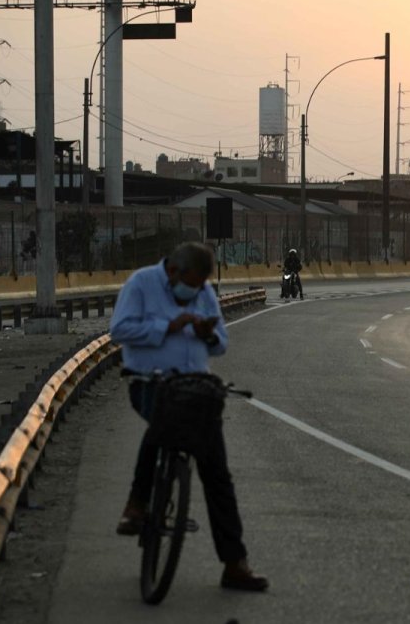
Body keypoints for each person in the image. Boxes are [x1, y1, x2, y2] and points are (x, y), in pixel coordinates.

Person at [108, 242, 268, 592]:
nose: (193, 292)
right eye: (190, 285)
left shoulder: (204, 291)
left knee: (217, 473)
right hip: (150, 382)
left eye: (199, 287)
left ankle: (234, 563)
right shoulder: (141, 283)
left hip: (195, 386)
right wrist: (168, 326)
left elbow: (221, 344)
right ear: (173, 271)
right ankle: (137, 503)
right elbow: (119, 330)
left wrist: (206, 333)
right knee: (163, 423)